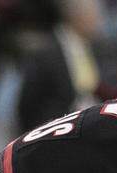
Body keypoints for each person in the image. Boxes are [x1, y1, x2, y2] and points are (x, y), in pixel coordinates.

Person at [15, 0, 105, 135]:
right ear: (77, 16)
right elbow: (26, 106)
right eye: (95, 16)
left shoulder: (99, 48)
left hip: (92, 132)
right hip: (55, 136)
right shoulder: (44, 53)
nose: (99, 21)